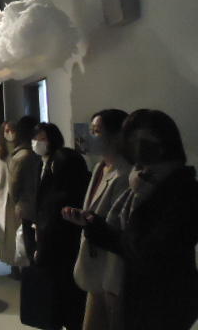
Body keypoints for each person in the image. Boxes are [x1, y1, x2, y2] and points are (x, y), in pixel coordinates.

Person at [64, 109, 198, 330]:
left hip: (165, 299)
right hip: (136, 292)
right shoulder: (143, 180)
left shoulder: (182, 190)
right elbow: (125, 240)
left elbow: (148, 250)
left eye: (144, 139)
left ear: (165, 141)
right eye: (133, 139)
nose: (137, 146)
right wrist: (95, 226)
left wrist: (141, 197)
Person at [73, 109, 130, 330]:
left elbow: (118, 227)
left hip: (112, 268)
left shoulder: (125, 174)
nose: (90, 136)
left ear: (116, 136)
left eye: (96, 131)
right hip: (94, 261)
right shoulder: (99, 167)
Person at [32, 123, 90, 330]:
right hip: (51, 237)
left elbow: (53, 206)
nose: (37, 142)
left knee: (67, 291)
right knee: (58, 291)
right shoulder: (43, 163)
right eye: (35, 138)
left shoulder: (62, 159)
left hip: (62, 240)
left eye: (42, 138)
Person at [0, 121, 22, 278]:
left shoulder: (22, 150)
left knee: (20, 231)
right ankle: (13, 265)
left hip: (19, 197)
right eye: (7, 130)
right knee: (7, 232)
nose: (10, 133)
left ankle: (22, 263)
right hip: (3, 197)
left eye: (12, 130)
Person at [8, 115, 41, 265]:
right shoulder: (30, 155)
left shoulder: (21, 156)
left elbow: (14, 188)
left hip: (27, 207)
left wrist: (18, 203)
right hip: (35, 207)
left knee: (30, 246)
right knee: (33, 246)